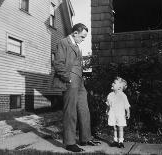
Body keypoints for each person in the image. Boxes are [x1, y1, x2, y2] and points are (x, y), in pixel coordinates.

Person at [53, 23, 100, 152]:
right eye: (82, 36)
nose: (83, 39)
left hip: (79, 81)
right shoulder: (63, 42)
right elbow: (58, 63)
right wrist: (67, 78)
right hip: (70, 80)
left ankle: (85, 138)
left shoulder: (77, 45)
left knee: (84, 109)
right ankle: (70, 142)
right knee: (70, 111)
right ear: (75, 33)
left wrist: (80, 79)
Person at [106, 77, 131, 148]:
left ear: (119, 87)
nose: (112, 83)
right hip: (112, 114)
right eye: (113, 82)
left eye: (114, 83)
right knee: (114, 127)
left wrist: (128, 112)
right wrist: (107, 111)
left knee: (120, 127)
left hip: (120, 114)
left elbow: (126, 105)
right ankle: (115, 140)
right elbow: (108, 104)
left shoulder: (123, 95)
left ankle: (121, 141)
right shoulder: (110, 95)